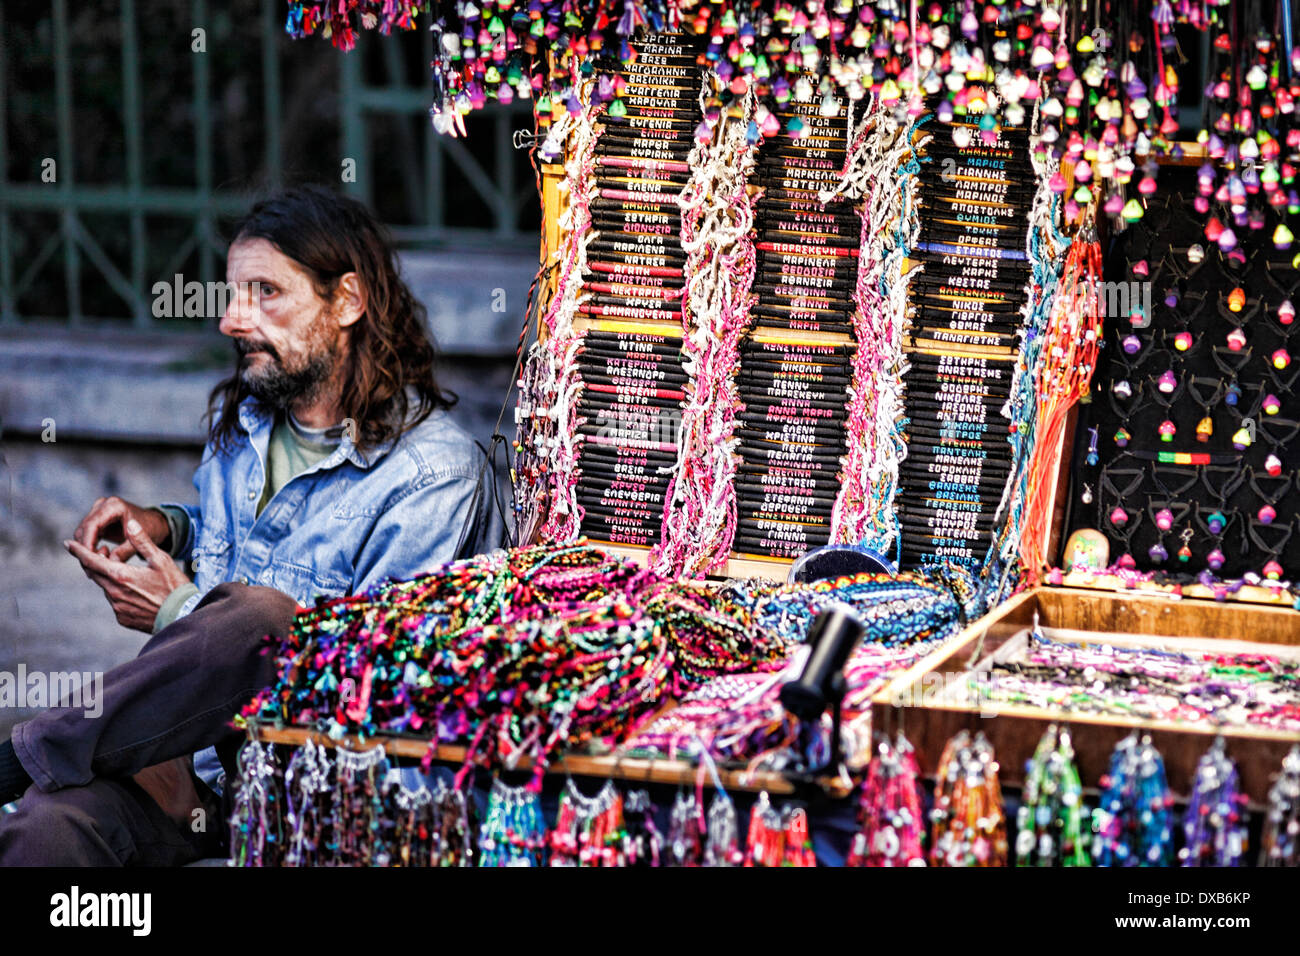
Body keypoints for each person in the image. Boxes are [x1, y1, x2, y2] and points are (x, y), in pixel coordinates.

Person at [0, 184, 502, 865]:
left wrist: (178, 609)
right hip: (198, 775)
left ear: (347, 301)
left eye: (265, 292)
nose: (232, 321)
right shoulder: (250, 420)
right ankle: (36, 773)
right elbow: (248, 536)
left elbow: (374, 680)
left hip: (320, 793)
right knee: (47, 826)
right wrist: (169, 525)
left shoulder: (435, 475)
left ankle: (17, 758)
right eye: (232, 294)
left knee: (265, 620)